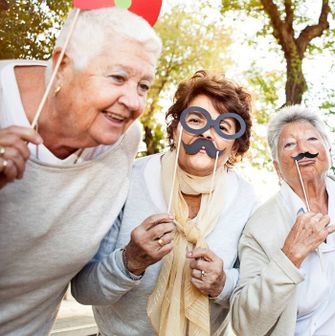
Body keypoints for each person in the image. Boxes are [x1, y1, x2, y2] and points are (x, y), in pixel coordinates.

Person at [0, 8, 161, 335]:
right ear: (61, 67)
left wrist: (131, 260)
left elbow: (86, 279)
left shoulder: (123, 139)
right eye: (117, 77)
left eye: (143, 85)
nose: (132, 101)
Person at [71, 70, 257, 335]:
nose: (207, 134)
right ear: (175, 128)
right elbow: (83, 289)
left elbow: (253, 295)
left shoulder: (246, 201)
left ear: (236, 147)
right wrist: (129, 262)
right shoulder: (127, 180)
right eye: (196, 120)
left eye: (223, 127)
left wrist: (222, 284)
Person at [230, 105, 335, 335]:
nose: (303, 149)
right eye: (289, 144)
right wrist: (290, 257)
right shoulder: (260, 227)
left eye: (311, 139)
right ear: (277, 168)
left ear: (328, 151)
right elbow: (245, 324)